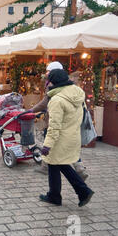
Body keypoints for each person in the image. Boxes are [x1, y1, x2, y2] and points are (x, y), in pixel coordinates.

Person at [39, 69, 94, 207]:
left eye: (48, 80)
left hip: (59, 139)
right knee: (55, 165)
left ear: (53, 81)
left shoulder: (57, 100)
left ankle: (83, 191)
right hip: (72, 136)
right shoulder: (77, 93)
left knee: (61, 165)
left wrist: (47, 145)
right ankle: (54, 195)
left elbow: (54, 126)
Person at [31, 61, 89, 180]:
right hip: (72, 124)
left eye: (48, 72)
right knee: (68, 146)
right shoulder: (74, 88)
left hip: (57, 120)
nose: (46, 74)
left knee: (51, 144)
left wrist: (32, 110)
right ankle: (79, 168)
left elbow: (46, 102)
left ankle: (46, 167)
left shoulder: (54, 86)